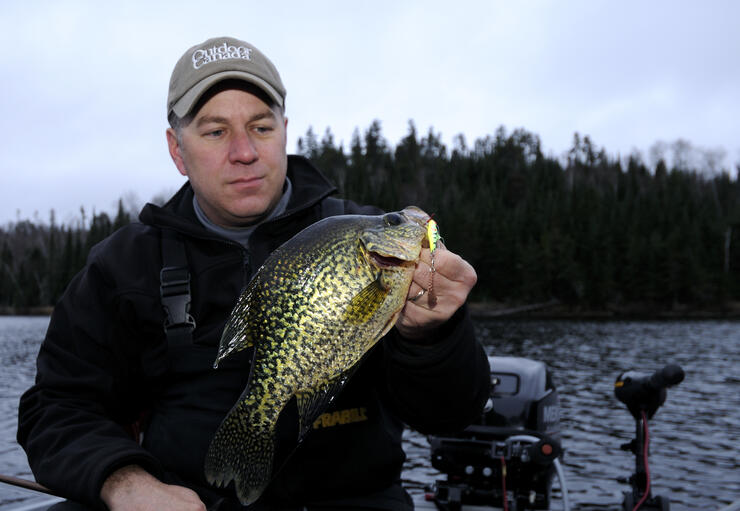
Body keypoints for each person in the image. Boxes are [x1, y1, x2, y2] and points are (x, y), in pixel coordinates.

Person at [17, 36, 490, 511]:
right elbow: (56, 407)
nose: (244, 151)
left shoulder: (366, 239)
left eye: (261, 127)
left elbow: (451, 415)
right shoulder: (123, 266)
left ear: (285, 130)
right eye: (215, 131)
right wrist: (124, 482)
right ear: (177, 149)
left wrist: (434, 338)